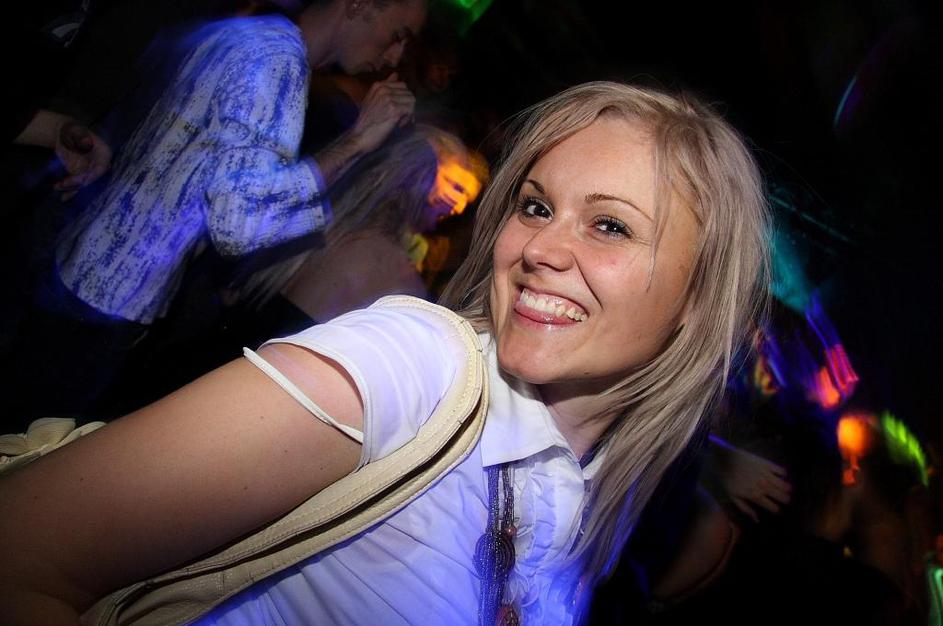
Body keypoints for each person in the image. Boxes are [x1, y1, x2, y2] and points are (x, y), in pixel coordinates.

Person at [0, 81, 769, 625]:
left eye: (608, 226)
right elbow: (21, 554)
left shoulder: (601, 498)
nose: (539, 247)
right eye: (535, 206)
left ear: (700, 298)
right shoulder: (414, 365)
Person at [4, 0, 428, 424]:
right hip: (104, 303)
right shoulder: (279, 62)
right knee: (31, 438)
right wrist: (356, 143)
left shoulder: (255, 33)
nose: (393, 58)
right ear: (360, 5)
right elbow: (236, 223)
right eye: (398, 36)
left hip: (84, 264)